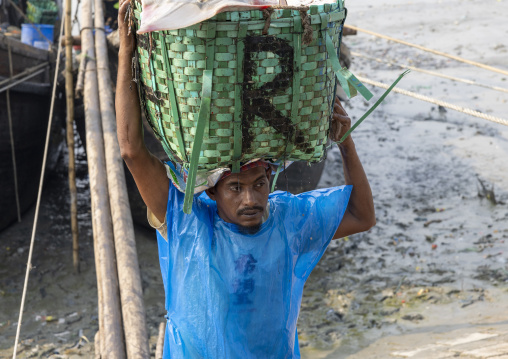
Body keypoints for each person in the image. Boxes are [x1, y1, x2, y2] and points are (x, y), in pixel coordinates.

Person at [116, 0, 375, 357]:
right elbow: (131, 151)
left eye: (259, 185)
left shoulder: (289, 219)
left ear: (271, 182)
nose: (250, 200)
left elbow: (363, 217)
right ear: (212, 191)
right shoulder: (186, 222)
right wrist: (127, 51)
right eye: (235, 188)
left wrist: (345, 143)